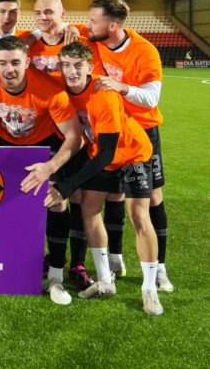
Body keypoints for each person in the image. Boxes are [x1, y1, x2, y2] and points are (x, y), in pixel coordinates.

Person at [0, 36, 84, 305]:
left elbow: (75, 136)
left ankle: (57, 277)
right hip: (2, 142)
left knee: (55, 202)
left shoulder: (49, 89)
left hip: (43, 145)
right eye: (2, 63)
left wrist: (49, 167)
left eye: (15, 62)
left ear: (27, 61)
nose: (9, 69)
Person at [53, 42, 163, 315]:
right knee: (90, 210)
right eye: (66, 65)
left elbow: (108, 153)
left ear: (90, 68)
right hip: (101, 154)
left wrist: (68, 186)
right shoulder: (59, 87)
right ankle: (104, 281)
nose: (72, 71)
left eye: (78, 66)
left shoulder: (104, 95)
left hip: (132, 153)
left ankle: (149, 289)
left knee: (139, 214)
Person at [87, 0, 173, 292]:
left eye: (92, 20)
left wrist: (120, 87)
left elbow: (151, 99)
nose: (87, 25)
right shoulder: (93, 41)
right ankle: (115, 259)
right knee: (113, 195)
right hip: (110, 130)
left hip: (143, 133)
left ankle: (159, 268)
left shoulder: (144, 51)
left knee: (152, 201)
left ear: (111, 25)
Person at [29, 0, 92, 288]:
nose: (44, 17)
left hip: (77, 129)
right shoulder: (26, 41)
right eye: (39, 12)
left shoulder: (79, 36)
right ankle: (51, 256)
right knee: (50, 198)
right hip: (44, 130)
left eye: (50, 12)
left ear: (62, 12)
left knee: (79, 199)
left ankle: (77, 262)